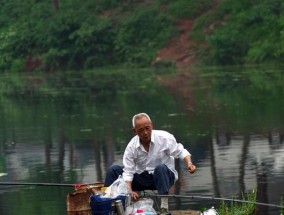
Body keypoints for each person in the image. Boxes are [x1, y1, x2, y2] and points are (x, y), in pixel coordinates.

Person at [104, 113, 196, 214]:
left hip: (164, 177)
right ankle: (107, 206)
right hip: (142, 177)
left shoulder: (164, 138)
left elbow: (181, 151)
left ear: (151, 125)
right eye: (140, 130)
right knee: (113, 170)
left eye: (147, 128)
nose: (145, 133)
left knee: (160, 168)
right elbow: (128, 172)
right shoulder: (131, 147)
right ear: (134, 131)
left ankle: (164, 208)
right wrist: (130, 191)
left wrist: (189, 164)